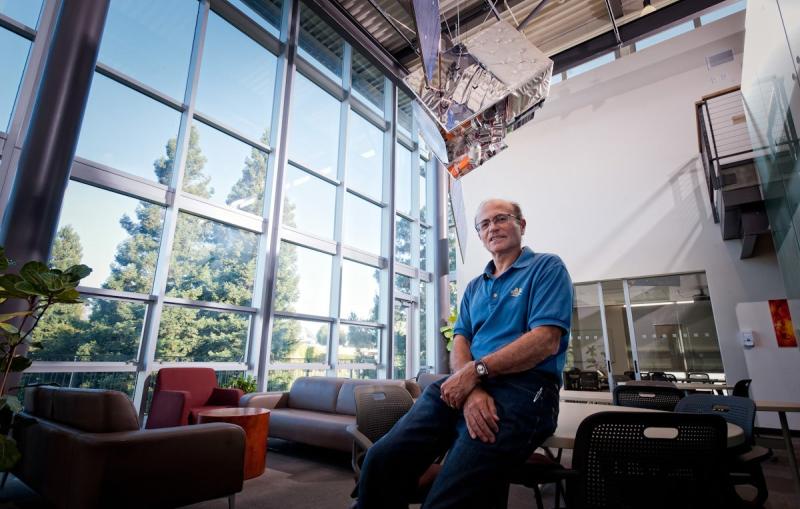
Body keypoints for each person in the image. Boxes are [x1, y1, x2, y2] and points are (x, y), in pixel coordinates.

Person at [356, 198, 573, 508]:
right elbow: (460, 340)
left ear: (521, 225)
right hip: (465, 384)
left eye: (501, 219)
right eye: (484, 224)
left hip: (525, 391)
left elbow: (545, 340)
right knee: (380, 460)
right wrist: (471, 386)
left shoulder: (547, 268)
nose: (492, 228)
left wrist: (475, 372)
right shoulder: (474, 288)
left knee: (451, 493)